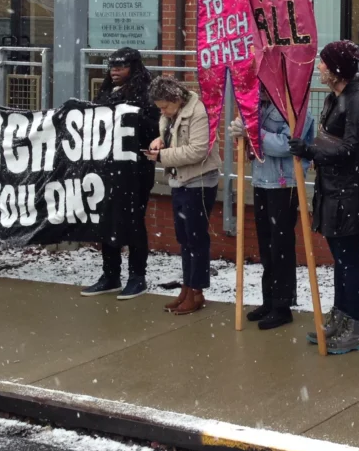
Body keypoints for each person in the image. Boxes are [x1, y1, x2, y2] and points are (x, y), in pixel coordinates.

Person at [288, 41, 359, 355]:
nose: (320, 67)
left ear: (338, 69)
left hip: (349, 190)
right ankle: (340, 316)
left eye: (324, 63)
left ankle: (356, 326)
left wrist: (311, 151)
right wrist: (310, 147)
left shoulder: (357, 99)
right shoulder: (334, 97)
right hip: (332, 187)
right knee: (340, 259)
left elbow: (350, 149)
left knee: (349, 259)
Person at [229, 87, 316, 330]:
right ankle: (269, 300)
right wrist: (241, 134)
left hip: (284, 183)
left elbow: (287, 145)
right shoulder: (259, 106)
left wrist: (254, 133)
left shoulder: (294, 107)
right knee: (266, 245)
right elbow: (252, 143)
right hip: (261, 180)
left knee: (281, 246)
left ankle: (282, 305)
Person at [81, 48, 160, 300]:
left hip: (136, 167)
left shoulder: (147, 93)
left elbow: (155, 129)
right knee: (108, 219)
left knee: (134, 221)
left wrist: (130, 115)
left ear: (133, 67)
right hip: (107, 167)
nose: (114, 71)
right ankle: (110, 275)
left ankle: (137, 277)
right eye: (111, 66)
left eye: (121, 66)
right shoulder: (106, 91)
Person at [147, 76, 220, 315]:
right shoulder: (172, 113)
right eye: (159, 108)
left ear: (176, 98)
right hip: (179, 179)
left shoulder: (198, 112)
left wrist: (162, 156)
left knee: (196, 238)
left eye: (165, 107)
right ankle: (187, 287)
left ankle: (196, 291)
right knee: (184, 237)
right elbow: (173, 137)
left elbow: (198, 150)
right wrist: (160, 141)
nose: (162, 112)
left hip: (199, 181)